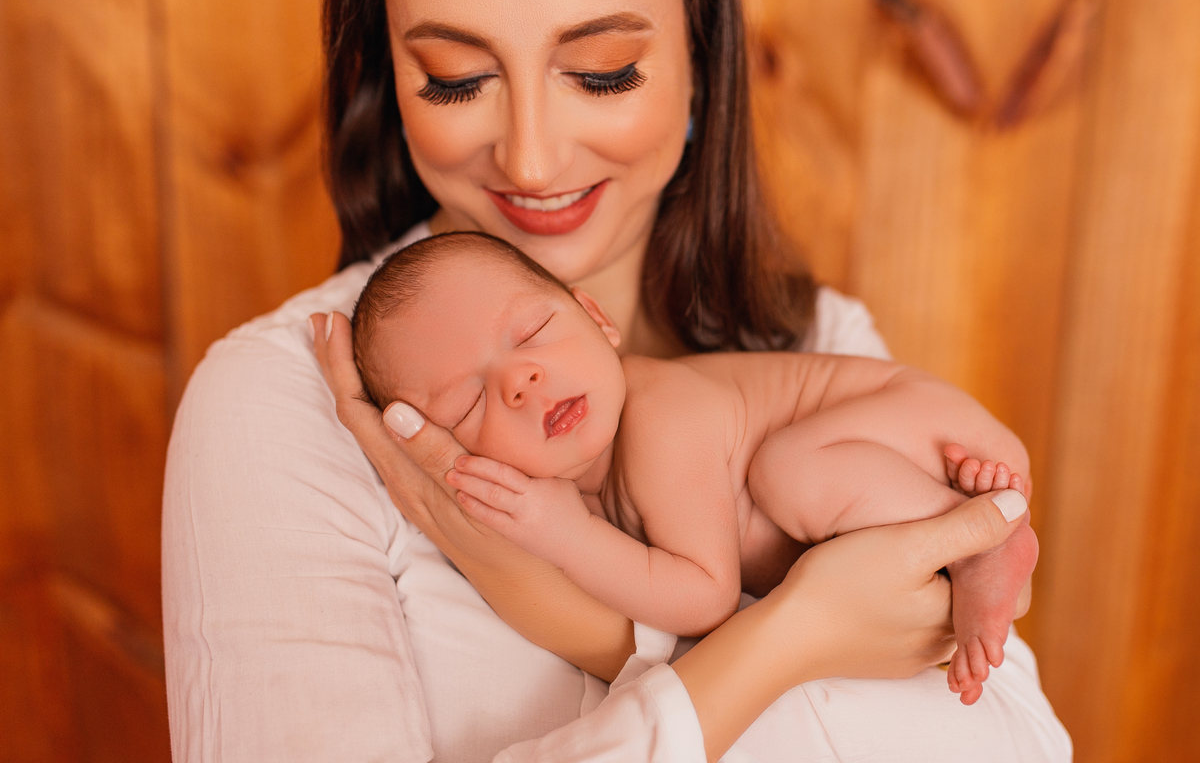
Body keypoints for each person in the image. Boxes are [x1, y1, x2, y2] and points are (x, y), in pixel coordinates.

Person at [161, 0, 1072, 760]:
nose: (531, 155)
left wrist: (604, 635)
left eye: (603, 73)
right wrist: (791, 637)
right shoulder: (287, 405)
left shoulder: (815, 338)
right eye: (455, 80)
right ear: (388, 82)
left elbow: (1013, 742)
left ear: (701, 67)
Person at [351, 231, 1038, 705]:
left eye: (531, 334)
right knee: (793, 475)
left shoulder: (660, 414)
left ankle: (976, 539)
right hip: (893, 462)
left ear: (596, 317)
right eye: (471, 401)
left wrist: (562, 535)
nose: (521, 382)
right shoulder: (582, 485)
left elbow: (706, 597)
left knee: (787, 469)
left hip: (919, 429)